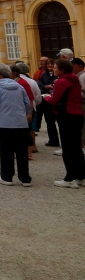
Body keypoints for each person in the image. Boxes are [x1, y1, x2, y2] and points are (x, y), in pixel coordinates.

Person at [0, 64, 32, 186]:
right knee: (22, 151)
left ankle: (7, 176)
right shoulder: (19, 86)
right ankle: (25, 178)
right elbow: (27, 102)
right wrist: (26, 113)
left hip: (3, 122)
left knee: (6, 149)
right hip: (20, 122)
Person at [42, 59, 85, 188]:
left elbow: (54, 100)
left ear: (62, 69)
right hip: (77, 114)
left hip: (67, 115)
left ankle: (69, 178)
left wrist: (46, 97)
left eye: (55, 67)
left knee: (67, 148)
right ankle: (81, 176)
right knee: (76, 147)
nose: (53, 69)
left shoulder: (62, 81)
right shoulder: (74, 79)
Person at [11, 62, 41, 158]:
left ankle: (28, 152)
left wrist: (29, 113)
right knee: (27, 131)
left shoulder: (23, 82)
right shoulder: (26, 81)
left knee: (26, 132)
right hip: (21, 110)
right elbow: (37, 98)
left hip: (24, 110)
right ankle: (28, 150)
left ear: (15, 73)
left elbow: (30, 99)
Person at [36, 59, 60, 148]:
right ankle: (53, 140)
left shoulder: (57, 74)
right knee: (50, 122)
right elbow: (39, 85)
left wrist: (53, 86)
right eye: (48, 64)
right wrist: (45, 86)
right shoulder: (44, 74)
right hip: (46, 101)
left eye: (52, 64)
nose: (50, 65)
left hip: (56, 101)